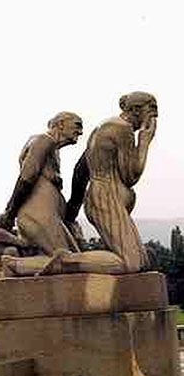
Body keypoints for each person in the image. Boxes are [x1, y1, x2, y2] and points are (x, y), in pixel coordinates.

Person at [64, 91, 158, 274]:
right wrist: (145, 141)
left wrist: (73, 208)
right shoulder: (122, 128)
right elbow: (131, 176)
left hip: (103, 196)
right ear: (136, 111)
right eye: (152, 113)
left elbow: (81, 169)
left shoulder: (106, 127)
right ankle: (65, 261)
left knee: (142, 263)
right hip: (105, 197)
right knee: (131, 264)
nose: (154, 120)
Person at [0, 111, 84, 255]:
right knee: (65, 261)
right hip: (38, 215)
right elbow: (26, 178)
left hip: (49, 216)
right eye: (77, 125)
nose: (80, 132)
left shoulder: (52, 148)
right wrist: (10, 213)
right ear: (61, 124)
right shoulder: (44, 140)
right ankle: (12, 264)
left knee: (73, 260)